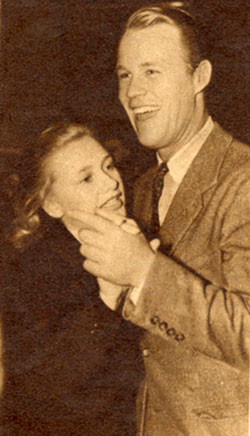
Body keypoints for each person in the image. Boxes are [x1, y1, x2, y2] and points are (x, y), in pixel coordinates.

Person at [64, 4, 250, 436]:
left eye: (152, 71)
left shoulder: (243, 178)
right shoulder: (142, 187)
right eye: (125, 75)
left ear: (199, 77)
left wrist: (144, 272)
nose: (132, 92)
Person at [1, 122, 143, 436]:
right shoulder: (32, 272)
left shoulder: (139, 239)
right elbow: (36, 381)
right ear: (52, 204)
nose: (111, 183)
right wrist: (108, 299)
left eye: (109, 166)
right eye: (86, 178)